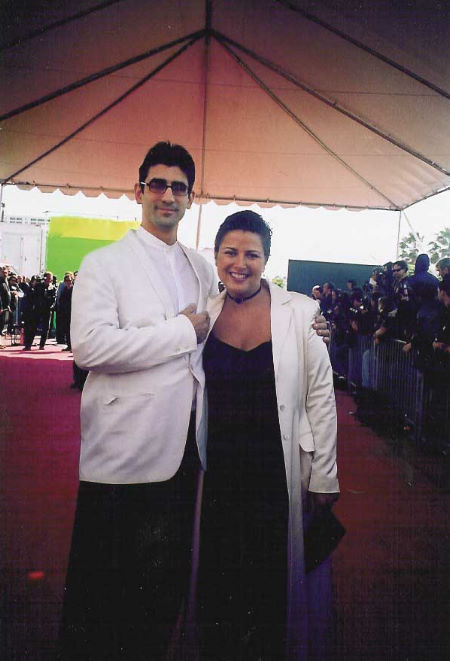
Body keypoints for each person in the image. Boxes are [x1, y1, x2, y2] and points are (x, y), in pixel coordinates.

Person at [60, 142, 330, 660]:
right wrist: (180, 331)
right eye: (157, 184)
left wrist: (310, 321)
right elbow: (90, 348)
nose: (167, 195)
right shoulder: (103, 263)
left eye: (178, 187)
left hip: (188, 457)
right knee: (104, 592)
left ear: (188, 199)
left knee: (163, 587)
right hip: (122, 454)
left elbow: (245, 305)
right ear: (138, 191)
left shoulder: (199, 268)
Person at [198, 211, 339, 660]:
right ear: (217, 256)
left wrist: (324, 477)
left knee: (270, 580)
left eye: (252, 254)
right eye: (230, 252)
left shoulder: (301, 313)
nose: (240, 263)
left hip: (275, 473)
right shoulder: (203, 314)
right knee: (219, 578)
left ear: (266, 260)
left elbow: (321, 397)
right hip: (217, 474)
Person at [22, 271, 56, 350]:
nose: (49, 280)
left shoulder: (52, 288)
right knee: (33, 327)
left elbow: (53, 299)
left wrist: (50, 306)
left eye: (50, 278)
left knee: (45, 328)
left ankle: (42, 345)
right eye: (47, 278)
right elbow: (32, 296)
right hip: (37, 309)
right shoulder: (38, 286)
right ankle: (28, 345)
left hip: (47, 310)